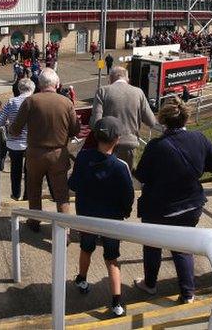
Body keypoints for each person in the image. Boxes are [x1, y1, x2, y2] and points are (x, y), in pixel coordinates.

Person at [134, 96, 212, 304]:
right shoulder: (199, 138)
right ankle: (188, 293)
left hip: (160, 208)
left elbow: (142, 176)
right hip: (191, 205)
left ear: (163, 120)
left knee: (152, 245)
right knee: (182, 248)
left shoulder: (156, 146)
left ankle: (150, 284)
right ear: (185, 118)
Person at [68, 116, 135, 318]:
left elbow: (73, 185)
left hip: (87, 217)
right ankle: (116, 303)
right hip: (111, 220)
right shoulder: (120, 166)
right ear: (117, 139)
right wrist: (125, 212)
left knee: (86, 248)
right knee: (112, 259)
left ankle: (81, 278)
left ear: (95, 136)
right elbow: (128, 196)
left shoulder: (83, 157)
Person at [8, 68, 80, 231]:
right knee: (61, 193)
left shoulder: (31, 101)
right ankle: (64, 229)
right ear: (57, 84)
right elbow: (75, 130)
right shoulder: (66, 102)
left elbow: (16, 129)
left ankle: (34, 221)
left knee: (34, 188)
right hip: (58, 154)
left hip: (35, 154)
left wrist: (10, 130)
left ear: (39, 85)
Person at [90, 66, 162, 170]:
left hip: (108, 146)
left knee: (106, 180)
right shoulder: (138, 92)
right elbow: (151, 121)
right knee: (126, 180)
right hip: (130, 145)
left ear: (110, 79)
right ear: (127, 79)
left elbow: (95, 123)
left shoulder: (102, 91)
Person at [0, 78, 34, 200]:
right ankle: (27, 195)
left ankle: (15, 193)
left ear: (19, 89)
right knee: (30, 171)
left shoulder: (12, 102)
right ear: (32, 88)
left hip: (14, 142)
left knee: (15, 170)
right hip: (32, 142)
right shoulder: (36, 101)